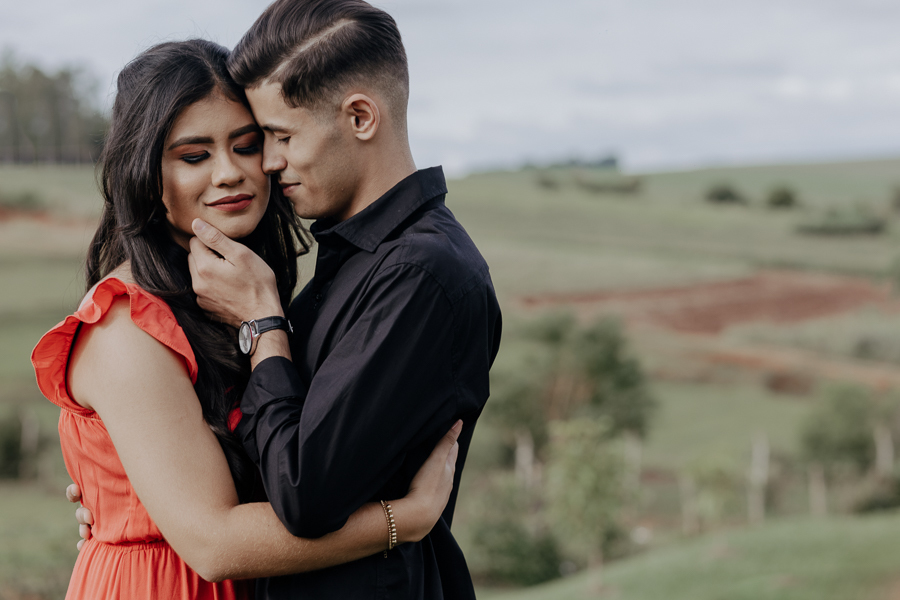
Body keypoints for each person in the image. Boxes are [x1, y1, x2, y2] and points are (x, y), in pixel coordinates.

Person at [32, 38, 460, 600]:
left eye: (247, 144)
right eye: (194, 156)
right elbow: (213, 545)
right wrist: (404, 519)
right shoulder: (126, 325)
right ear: (144, 171)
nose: (230, 173)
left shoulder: (238, 299)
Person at [185, 1, 503, 598]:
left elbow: (304, 492)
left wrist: (263, 324)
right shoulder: (353, 256)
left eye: (281, 135)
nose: (269, 162)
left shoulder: (423, 276)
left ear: (360, 117)